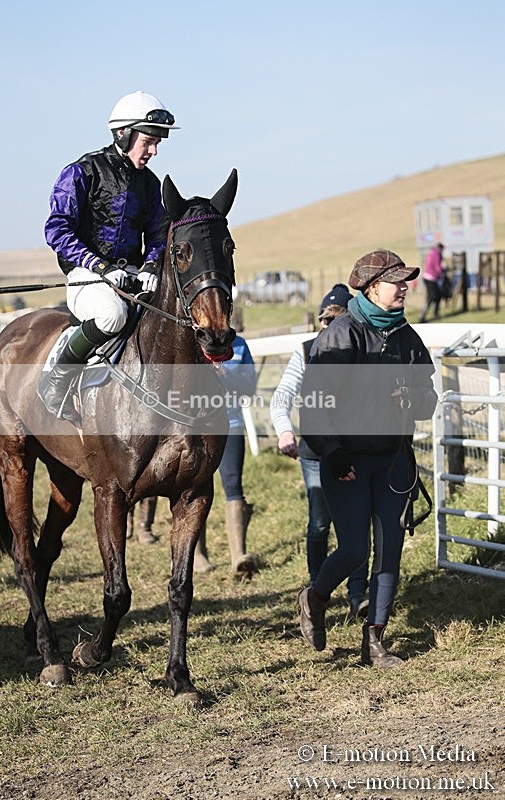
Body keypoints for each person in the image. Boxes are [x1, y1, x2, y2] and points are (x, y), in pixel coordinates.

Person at [299, 250, 437, 668]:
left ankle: (375, 641)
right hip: (348, 461)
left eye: (406, 281)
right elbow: (314, 402)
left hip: (394, 461)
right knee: (356, 549)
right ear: (372, 287)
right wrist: (333, 451)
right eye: (397, 281)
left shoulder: (408, 338)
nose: (405, 288)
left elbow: (428, 401)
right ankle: (315, 597)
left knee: (391, 549)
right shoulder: (340, 334)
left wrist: (412, 397)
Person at [38, 90, 178, 423]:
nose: (153, 151)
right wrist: (99, 266)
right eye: (148, 142)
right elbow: (57, 229)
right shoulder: (81, 172)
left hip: (130, 278)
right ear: (123, 133)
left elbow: (158, 234)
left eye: (157, 143)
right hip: (86, 277)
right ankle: (57, 378)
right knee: (113, 315)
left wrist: (150, 266)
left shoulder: (150, 183)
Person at [270, 284, 369, 619]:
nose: (329, 328)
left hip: (355, 448)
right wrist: (285, 430)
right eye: (325, 321)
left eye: (336, 320)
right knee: (319, 522)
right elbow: (282, 396)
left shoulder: (361, 347)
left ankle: (358, 594)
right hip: (315, 452)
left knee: (356, 524)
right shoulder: (306, 350)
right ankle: (316, 591)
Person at [194, 334, 259, 579]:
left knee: (234, 487)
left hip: (231, 425)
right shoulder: (194, 340)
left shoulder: (241, 346)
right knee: (196, 488)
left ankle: (238, 556)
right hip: (196, 428)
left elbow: (249, 387)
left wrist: (225, 375)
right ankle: (197, 553)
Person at [418, 242, 445, 323]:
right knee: (432, 297)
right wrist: (443, 271)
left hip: (428, 277)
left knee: (437, 296)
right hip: (431, 277)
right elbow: (437, 266)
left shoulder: (432, 252)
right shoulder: (437, 254)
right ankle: (423, 315)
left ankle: (435, 313)